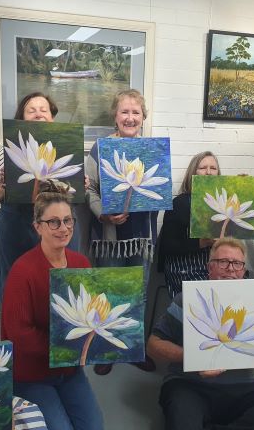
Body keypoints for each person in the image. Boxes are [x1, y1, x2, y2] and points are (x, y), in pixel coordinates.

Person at [148, 238, 254, 430]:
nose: (231, 268)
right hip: (190, 386)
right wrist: (195, 358)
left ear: (243, 271)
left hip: (241, 388)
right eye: (223, 262)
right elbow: (153, 344)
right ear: (210, 267)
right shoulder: (186, 299)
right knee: (181, 417)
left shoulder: (253, 304)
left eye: (237, 263)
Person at [1, 181, 103, 430]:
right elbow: (18, 334)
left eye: (68, 221)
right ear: (38, 226)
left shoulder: (81, 264)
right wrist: (65, 349)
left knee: (95, 426)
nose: (63, 228)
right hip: (32, 374)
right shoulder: (23, 270)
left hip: (69, 370)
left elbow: (91, 315)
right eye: (54, 222)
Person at [85, 88, 157, 374]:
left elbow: (158, 191)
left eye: (135, 112)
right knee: (109, 292)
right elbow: (87, 188)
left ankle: (133, 349)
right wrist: (102, 211)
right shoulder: (99, 148)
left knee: (137, 293)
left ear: (143, 117)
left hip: (143, 237)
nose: (130, 117)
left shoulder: (153, 151)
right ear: (115, 117)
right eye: (124, 112)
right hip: (109, 237)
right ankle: (106, 352)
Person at [0, 92, 81, 302]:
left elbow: (77, 188)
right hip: (18, 228)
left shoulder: (68, 148)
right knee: (17, 291)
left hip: (58, 227)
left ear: (52, 118)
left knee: (61, 291)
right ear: (22, 119)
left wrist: (82, 185)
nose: (38, 114)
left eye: (43, 110)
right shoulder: (8, 150)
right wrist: (0, 189)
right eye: (32, 110)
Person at [157, 151, 220, 298]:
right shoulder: (180, 203)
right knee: (208, 296)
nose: (209, 172)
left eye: (213, 168)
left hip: (216, 265)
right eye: (203, 168)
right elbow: (168, 246)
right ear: (193, 173)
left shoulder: (222, 203)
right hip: (185, 268)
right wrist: (202, 242)